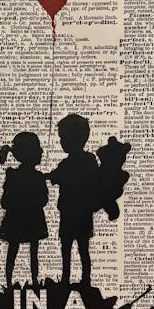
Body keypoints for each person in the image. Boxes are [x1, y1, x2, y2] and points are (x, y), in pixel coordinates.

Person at [47, 113, 99, 285]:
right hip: (78, 212)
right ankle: (78, 279)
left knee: (71, 247)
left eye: (63, 138)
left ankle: (72, 279)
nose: (61, 142)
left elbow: (55, 176)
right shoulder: (87, 160)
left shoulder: (71, 163)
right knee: (79, 247)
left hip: (73, 212)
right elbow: (55, 176)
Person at [0, 131, 48, 286]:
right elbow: (43, 200)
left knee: (15, 249)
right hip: (31, 219)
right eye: (38, 148)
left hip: (17, 218)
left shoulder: (14, 175)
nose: (42, 151)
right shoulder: (37, 177)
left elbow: (5, 201)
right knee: (32, 250)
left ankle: (11, 282)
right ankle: (31, 281)